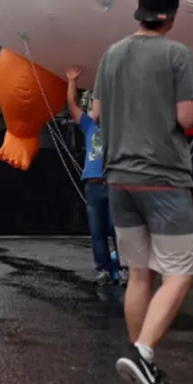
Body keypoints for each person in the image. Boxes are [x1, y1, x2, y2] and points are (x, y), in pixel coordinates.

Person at [91, 0, 193, 384]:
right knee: (180, 272)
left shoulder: (111, 54)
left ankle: (143, 376)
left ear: (139, 11)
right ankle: (144, 354)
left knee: (139, 275)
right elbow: (187, 115)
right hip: (164, 178)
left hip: (117, 178)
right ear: (172, 15)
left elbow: (96, 113)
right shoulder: (177, 54)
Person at [67, 67, 122, 285]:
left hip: (114, 183)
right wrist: (72, 81)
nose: (94, 108)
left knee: (117, 230)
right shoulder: (90, 126)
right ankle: (105, 269)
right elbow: (72, 106)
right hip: (93, 186)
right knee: (97, 231)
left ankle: (123, 267)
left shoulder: (120, 127)